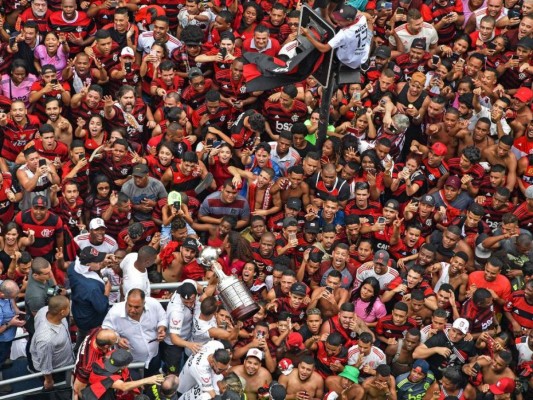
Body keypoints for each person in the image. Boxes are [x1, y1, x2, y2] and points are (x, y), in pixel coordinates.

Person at [102, 289, 167, 377]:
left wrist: (162, 328)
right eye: (129, 305)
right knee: (134, 386)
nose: (132, 310)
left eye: (136, 307)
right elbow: (105, 330)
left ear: (144, 303)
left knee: (152, 381)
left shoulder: (153, 304)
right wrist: (117, 339)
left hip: (153, 356)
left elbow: (163, 318)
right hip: (130, 362)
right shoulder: (115, 312)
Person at [301, 5, 372, 72]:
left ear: (350, 20)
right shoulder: (361, 18)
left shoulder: (344, 34)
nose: (337, 21)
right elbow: (369, 17)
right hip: (364, 52)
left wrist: (308, 35)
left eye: (341, 20)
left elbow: (323, 49)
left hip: (349, 61)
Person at [29, 295, 74, 390]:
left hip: (64, 360)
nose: (70, 309)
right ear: (62, 312)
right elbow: (45, 363)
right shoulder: (46, 340)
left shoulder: (44, 310)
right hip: (56, 370)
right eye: (68, 307)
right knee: (59, 389)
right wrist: (49, 380)